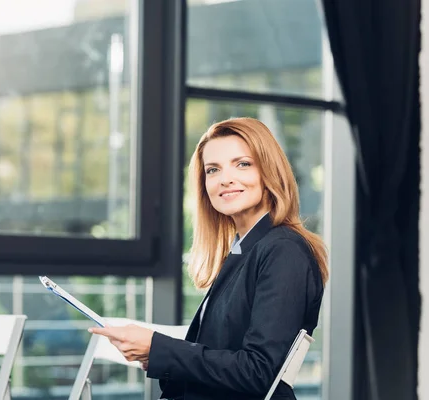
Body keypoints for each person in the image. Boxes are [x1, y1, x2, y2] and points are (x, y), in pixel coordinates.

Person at [89, 117, 328, 400]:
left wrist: (160, 349)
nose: (225, 178)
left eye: (243, 164)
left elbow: (260, 372)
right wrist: (157, 353)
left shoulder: (283, 250)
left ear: (269, 172)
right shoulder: (244, 249)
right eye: (213, 170)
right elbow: (222, 356)